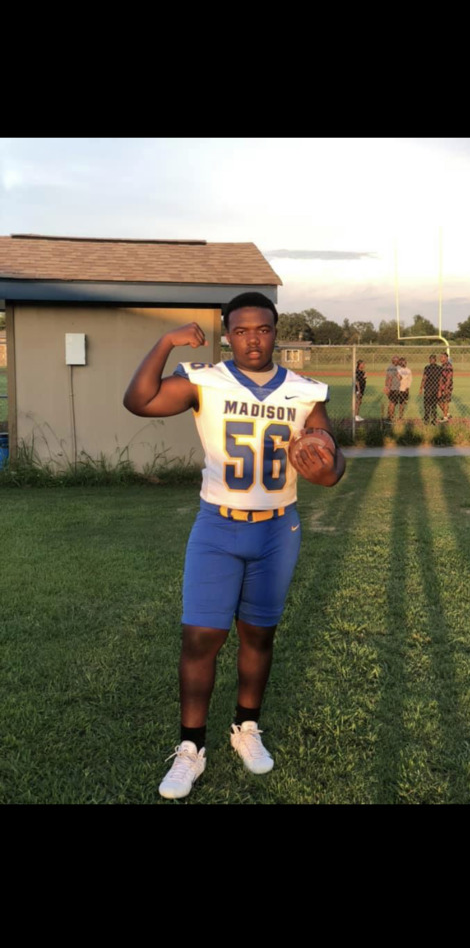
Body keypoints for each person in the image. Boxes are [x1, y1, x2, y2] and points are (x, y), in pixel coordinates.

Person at [123, 291, 346, 800]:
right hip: (217, 527)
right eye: (241, 331)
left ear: (275, 333)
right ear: (228, 335)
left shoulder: (306, 391)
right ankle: (191, 747)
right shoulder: (204, 380)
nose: (253, 340)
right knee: (201, 637)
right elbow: (139, 401)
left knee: (258, 636)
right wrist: (165, 342)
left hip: (277, 529)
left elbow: (333, 464)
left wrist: (325, 466)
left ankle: (246, 727)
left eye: (262, 330)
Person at [418, 354, 441, 425]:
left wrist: (421, 388)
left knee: (427, 404)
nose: (431, 361)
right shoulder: (439, 368)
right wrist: (439, 390)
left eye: (431, 359)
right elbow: (440, 380)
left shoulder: (427, 368)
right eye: (431, 359)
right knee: (433, 405)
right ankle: (433, 419)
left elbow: (424, 378)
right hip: (434, 389)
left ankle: (427, 419)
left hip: (429, 389)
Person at [384, 354, 401, 421]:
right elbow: (389, 379)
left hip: (394, 388)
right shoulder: (392, 368)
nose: (399, 362)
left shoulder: (394, 367)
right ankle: (391, 417)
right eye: (398, 361)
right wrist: (388, 388)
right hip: (393, 388)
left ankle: (389, 416)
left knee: (392, 402)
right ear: (395, 361)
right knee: (392, 403)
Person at [437, 351, 453, 422]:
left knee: (445, 401)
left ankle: (445, 418)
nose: (440, 358)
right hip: (442, 387)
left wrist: (446, 388)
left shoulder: (448, 366)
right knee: (439, 401)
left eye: (442, 357)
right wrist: (440, 390)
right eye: (440, 357)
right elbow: (441, 378)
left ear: (446, 358)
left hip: (447, 387)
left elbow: (449, 378)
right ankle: (447, 414)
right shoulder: (442, 366)